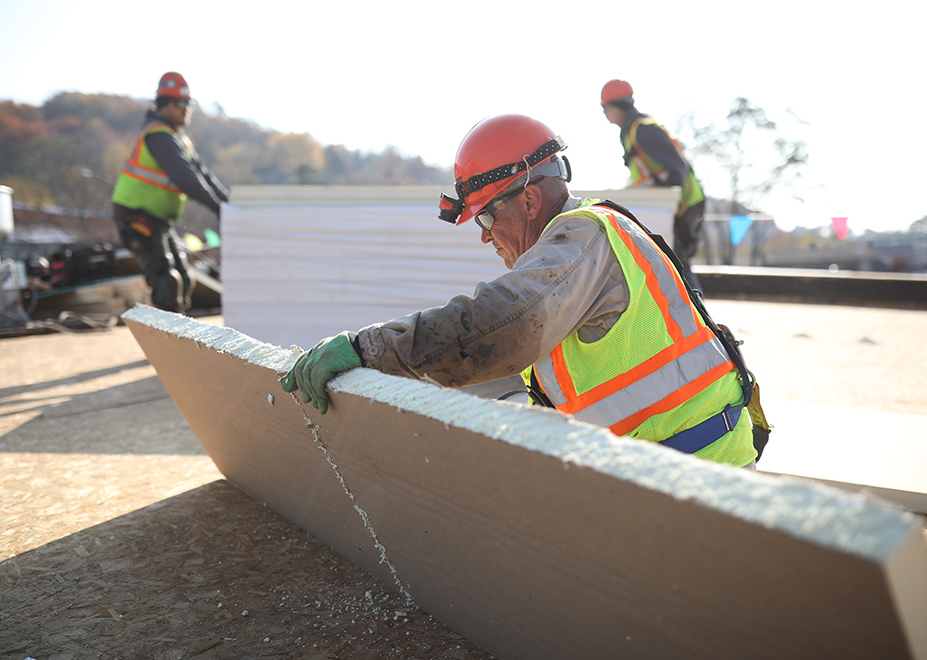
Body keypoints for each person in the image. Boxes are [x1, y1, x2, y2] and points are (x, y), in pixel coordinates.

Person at [282, 114, 769, 467]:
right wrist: (385, 382)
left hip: (702, 474)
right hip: (669, 471)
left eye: (488, 216)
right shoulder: (577, 257)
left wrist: (368, 349)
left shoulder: (583, 236)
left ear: (531, 198)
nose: (484, 235)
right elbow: (489, 366)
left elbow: (503, 325)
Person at [111, 72, 229, 312]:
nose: (185, 109)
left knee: (184, 277)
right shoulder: (158, 135)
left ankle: (177, 340)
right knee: (166, 280)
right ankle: (166, 345)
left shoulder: (180, 139)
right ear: (164, 105)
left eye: (188, 104)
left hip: (158, 220)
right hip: (136, 216)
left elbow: (205, 176)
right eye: (179, 104)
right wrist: (219, 209)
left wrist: (231, 206)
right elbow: (187, 179)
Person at [600, 79, 706, 291]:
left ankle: (700, 318)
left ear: (614, 106)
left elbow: (677, 168)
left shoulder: (642, 129)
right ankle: (697, 316)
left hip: (683, 204)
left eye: (604, 108)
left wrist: (670, 208)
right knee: (676, 263)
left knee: (678, 263)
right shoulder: (631, 131)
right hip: (674, 205)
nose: (604, 114)